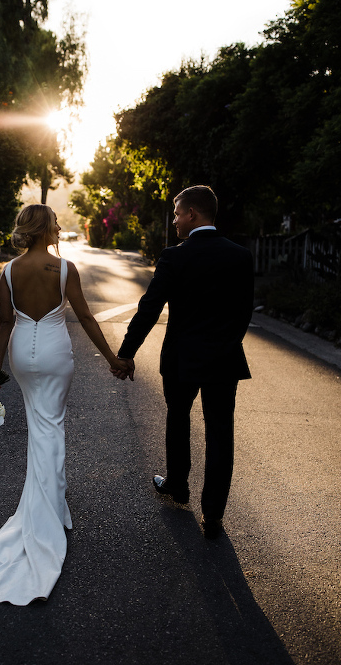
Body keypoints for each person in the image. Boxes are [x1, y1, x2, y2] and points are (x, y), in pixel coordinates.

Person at [0, 204, 129, 604]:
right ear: (42, 228)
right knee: (51, 426)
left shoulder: (10, 271)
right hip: (54, 352)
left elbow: (4, 322)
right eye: (53, 222)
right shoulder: (65, 268)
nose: (57, 227)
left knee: (43, 427)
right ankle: (48, 513)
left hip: (22, 354)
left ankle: (53, 504)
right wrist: (112, 360)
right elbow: (85, 316)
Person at [114, 186, 254, 538]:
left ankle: (177, 485)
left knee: (178, 418)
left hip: (181, 359)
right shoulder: (239, 255)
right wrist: (223, 344)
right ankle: (214, 513)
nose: (174, 221)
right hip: (224, 358)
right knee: (221, 432)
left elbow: (149, 308)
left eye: (177, 214)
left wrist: (126, 352)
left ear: (192, 213)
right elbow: (243, 314)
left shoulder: (174, 257)